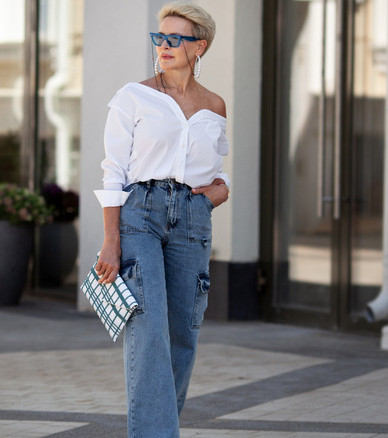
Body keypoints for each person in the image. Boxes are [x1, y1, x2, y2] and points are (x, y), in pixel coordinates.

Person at [93, 2, 230, 436]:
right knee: (149, 336)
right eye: (160, 37)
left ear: (199, 47)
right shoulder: (133, 97)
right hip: (140, 218)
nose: (164, 46)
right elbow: (114, 171)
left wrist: (217, 192)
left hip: (193, 221)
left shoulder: (215, 105)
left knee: (182, 338)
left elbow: (218, 169)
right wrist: (110, 241)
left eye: (176, 39)